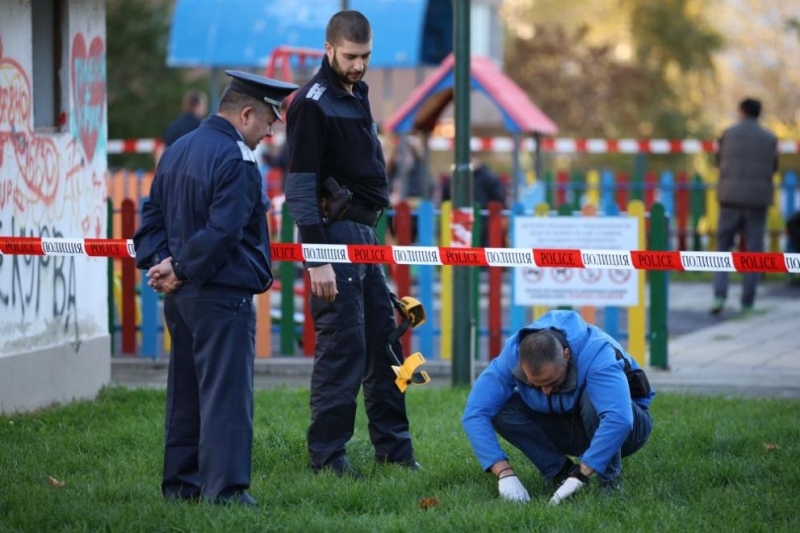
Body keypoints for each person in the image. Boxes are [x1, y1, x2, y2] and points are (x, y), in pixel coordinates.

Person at [133, 70, 298, 506]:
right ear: (246, 114)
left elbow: (150, 221)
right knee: (226, 398)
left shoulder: (177, 151)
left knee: (184, 396)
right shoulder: (237, 159)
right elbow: (224, 231)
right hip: (222, 295)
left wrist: (160, 266)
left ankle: (181, 488)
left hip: (182, 299)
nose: (269, 133)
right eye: (268, 121)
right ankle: (225, 492)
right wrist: (181, 268)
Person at [284, 10, 419, 478]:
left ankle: (396, 455)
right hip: (333, 238)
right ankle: (328, 458)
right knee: (343, 348)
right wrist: (317, 256)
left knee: (384, 344)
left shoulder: (356, 92)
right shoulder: (310, 103)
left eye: (365, 56)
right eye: (350, 56)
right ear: (328, 50)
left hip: (364, 234)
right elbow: (299, 188)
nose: (359, 65)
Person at [462, 310, 655, 504]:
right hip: (570, 424)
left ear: (567, 355)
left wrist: (583, 472)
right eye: (536, 385)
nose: (545, 391)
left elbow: (619, 420)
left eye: (552, 381)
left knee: (594, 400)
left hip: (628, 433)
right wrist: (504, 473)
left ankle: (609, 483)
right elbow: (475, 412)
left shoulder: (597, 352)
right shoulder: (513, 353)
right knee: (501, 408)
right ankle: (561, 473)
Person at [710, 97, 778, 315]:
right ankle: (748, 301)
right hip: (756, 201)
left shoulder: (728, 134)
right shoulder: (770, 138)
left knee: (723, 249)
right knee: (754, 252)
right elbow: (773, 167)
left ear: (741, 111)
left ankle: (719, 295)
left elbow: (718, 162)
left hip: (729, 199)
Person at [155, 90, 208, 165]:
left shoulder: (174, 125)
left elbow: (162, 148)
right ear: (198, 105)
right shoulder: (203, 127)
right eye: (204, 104)